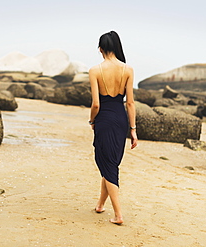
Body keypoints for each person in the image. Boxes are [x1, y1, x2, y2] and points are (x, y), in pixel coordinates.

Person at [88, 30, 138, 225]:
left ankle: (118, 215)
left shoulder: (94, 70)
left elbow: (95, 105)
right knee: (110, 163)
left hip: (104, 120)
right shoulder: (128, 69)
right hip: (121, 120)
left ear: (101, 49)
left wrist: (92, 121)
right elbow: (130, 103)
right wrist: (133, 129)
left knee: (108, 164)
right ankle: (100, 205)